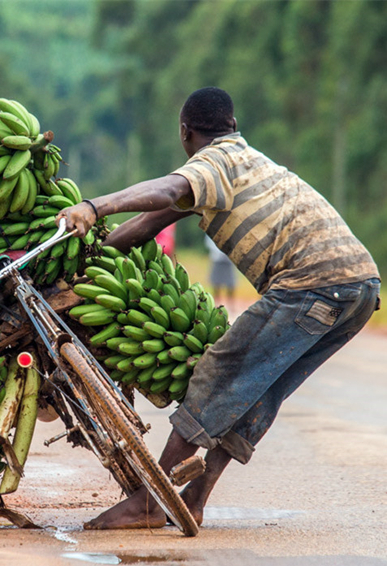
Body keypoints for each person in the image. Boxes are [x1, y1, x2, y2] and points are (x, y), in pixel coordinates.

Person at [56, 87, 380, 531]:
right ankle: (193, 499)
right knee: (258, 391)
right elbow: (150, 221)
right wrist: (83, 262)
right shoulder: (242, 164)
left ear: (185, 132)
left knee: (221, 372)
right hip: (361, 286)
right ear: (231, 124)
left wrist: (95, 206)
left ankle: (150, 499)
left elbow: (169, 187)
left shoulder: (214, 162)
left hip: (313, 282)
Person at [205, 234, 235, 311]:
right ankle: (216, 304)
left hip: (229, 259)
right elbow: (208, 243)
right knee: (216, 283)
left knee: (230, 284)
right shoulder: (212, 229)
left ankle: (231, 304)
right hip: (217, 258)